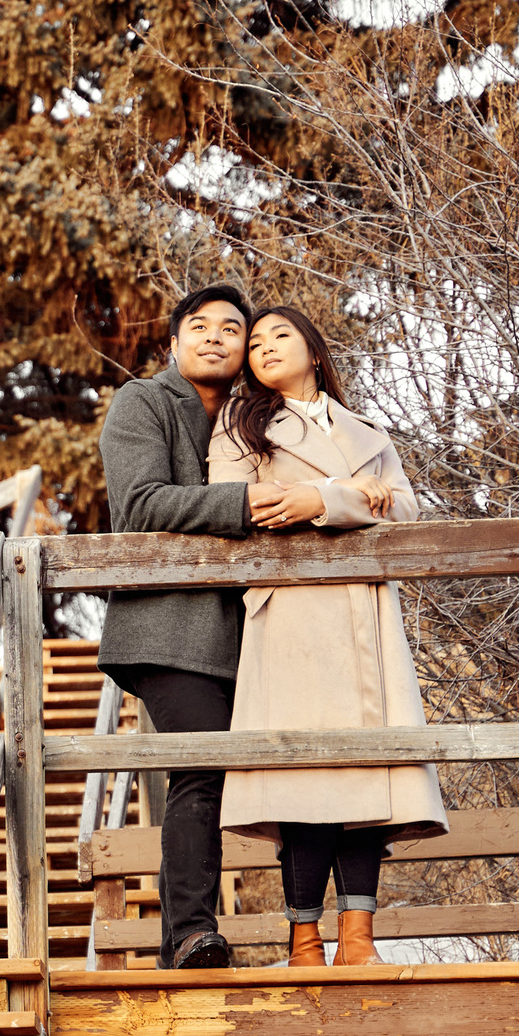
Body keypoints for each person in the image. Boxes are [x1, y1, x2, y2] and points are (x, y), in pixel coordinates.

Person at [206, 306, 448, 967]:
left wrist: (319, 500)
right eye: (254, 342)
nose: (263, 347)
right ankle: (305, 939)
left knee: (366, 778)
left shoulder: (367, 430)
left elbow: (405, 509)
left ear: (314, 350)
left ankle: (360, 938)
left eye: (280, 334)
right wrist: (340, 496)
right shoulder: (241, 423)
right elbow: (240, 505)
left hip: (365, 615)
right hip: (290, 617)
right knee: (305, 776)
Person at [98, 283, 320, 969]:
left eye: (233, 327)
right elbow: (138, 505)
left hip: (254, 628)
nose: (218, 336)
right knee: (198, 770)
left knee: (291, 766)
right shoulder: (143, 402)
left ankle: (304, 934)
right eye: (201, 327)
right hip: (167, 626)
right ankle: (192, 933)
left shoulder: (265, 415)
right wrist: (246, 504)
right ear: (174, 343)